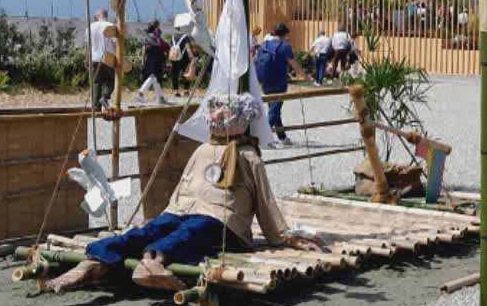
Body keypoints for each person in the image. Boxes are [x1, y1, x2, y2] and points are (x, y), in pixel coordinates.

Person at [47, 93, 322, 294]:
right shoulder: (202, 149)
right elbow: (183, 187)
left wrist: (284, 236)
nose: (216, 115)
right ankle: (95, 260)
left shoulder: (248, 156)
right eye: (215, 110)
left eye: (224, 111)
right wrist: (168, 214)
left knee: (193, 231)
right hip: (183, 211)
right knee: (150, 229)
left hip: (223, 223)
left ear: (242, 118)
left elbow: (265, 201)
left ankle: (153, 262)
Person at [254, 22, 296, 145]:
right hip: (279, 83)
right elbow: (294, 65)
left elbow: (256, 60)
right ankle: (263, 138)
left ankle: (282, 137)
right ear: (285, 34)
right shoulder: (285, 47)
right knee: (274, 110)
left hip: (265, 82)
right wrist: (306, 77)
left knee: (275, 109)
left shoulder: (263, 45)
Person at [137, 20, 169, 103]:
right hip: (155, 58)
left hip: (151, 58)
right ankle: (140, 94)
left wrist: (142, 60)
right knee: (153, 77)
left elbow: (144, 49)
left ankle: (160, 98)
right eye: (158, 26)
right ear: (155, 27)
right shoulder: (154, 36)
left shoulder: (148, 35)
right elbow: (146, 48)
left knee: (156, 79)